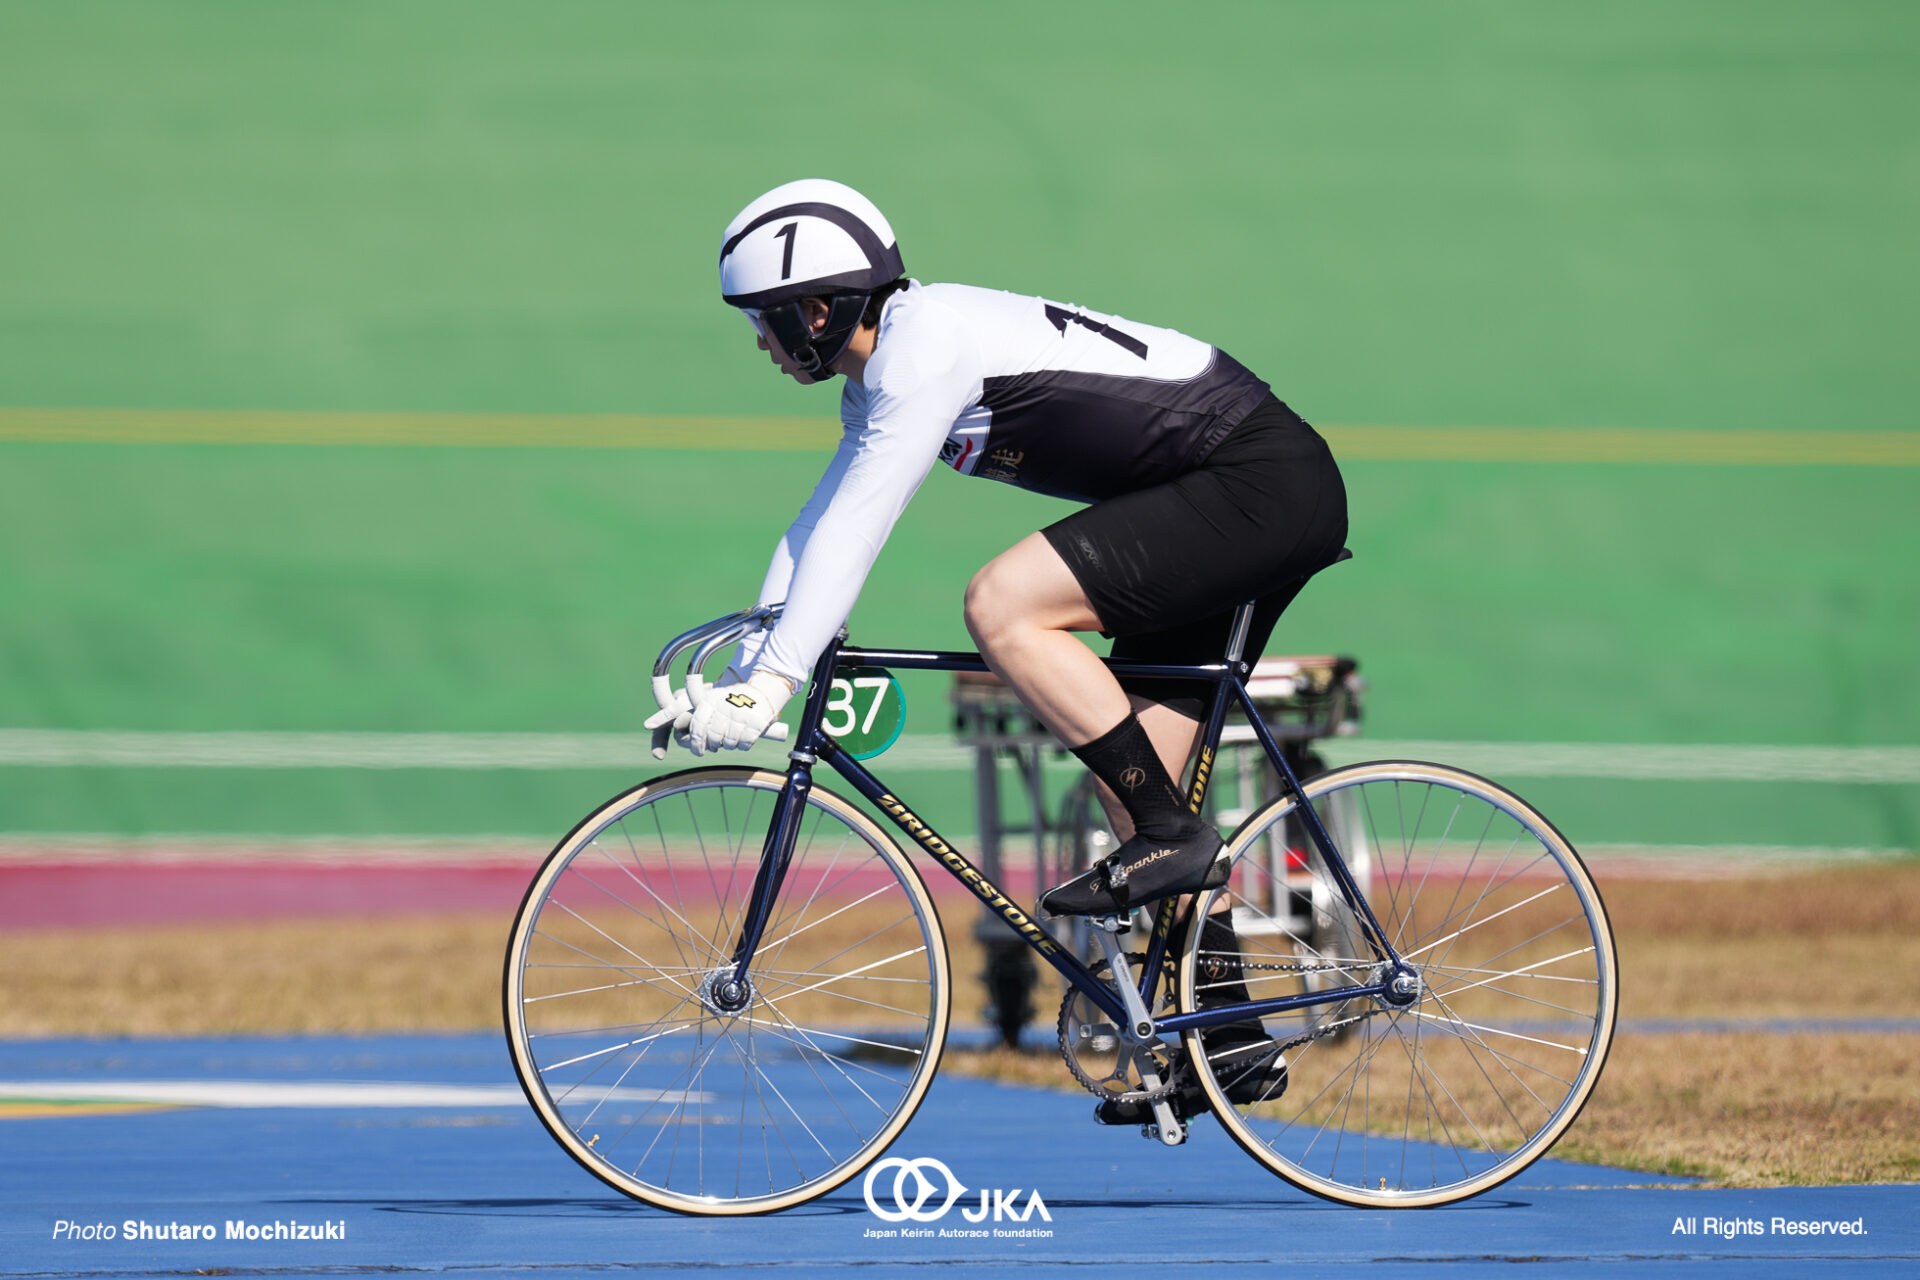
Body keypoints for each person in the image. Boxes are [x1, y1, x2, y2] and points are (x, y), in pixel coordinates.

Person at [673, 178, 1346, 1112]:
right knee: (1135, 782)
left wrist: (777, 679)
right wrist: (749, 670)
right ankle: (1230, 1044)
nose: (759, 342)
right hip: (1230, 489)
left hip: (1255, 484)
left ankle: (1173, 837)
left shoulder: (923, 350)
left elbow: (861, 525)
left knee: (1002, 605)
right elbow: (819, 525)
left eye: (763, 320)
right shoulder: (889, 368)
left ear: (815, 312)